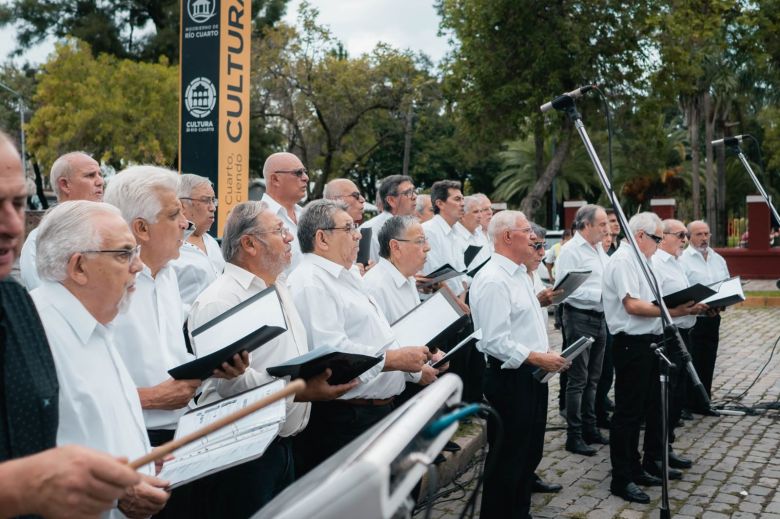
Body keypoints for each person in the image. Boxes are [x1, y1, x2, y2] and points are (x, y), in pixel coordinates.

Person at [0, 130, 140, 518]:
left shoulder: (14, 307)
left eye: (18, 202)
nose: (13, 225)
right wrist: (26, 485)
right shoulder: (43, 315)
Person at [188, 201, 357, 514]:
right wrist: (298, 390)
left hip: (283, 445)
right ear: (249, 243)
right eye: (280, 231)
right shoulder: (219, 300)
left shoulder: (278, 285)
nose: (290, 237)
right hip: (243, 455)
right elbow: (229, 387)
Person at [31, 200, 170, 519]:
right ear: (78, 267)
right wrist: (115, 492)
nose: (138, 265)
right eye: (124, 254)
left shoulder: (99, 324)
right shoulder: (35, 336)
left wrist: (145, 456)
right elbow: (23, 462)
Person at [287, 199, 431, 474]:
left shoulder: (343, 275)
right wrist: (394, 359)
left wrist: (408, 357)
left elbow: (376, 334)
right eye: (349, 228)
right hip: (347, 418)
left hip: (372, 412)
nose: (358, 235)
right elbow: (334, 353)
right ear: (322, 238)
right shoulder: (311, 282)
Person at [104, 165, 200, 518]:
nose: (185, 225)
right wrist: (149, 398)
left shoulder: (171, 274)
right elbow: (78, 384)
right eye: (174, 214)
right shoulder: (105, 286)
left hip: (181, 437)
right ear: (141, 228)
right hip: (131, 447)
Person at [470, 210, 568, 519]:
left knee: (529, 455)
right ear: (507, 237)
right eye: (527, 231)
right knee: (508, 461)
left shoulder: (521, 274)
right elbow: (494, 341)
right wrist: (540, 357)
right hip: (510, 379)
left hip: (532, 375)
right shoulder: (493, 280)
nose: (533, 237)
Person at [602, 212, 697, 504]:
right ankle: (622, 478)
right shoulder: (622, 261)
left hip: (650, 341)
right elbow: (632, 305)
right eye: (657, 238)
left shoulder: (643, 259)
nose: (659, 244)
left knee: (645, 407)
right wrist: (675, 312)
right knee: (628, 413)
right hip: (631, 343)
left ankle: (636, 466)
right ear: (640, 235)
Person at [649, 218, 705, 478]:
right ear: (664, 236)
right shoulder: (656, 264)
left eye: (685, 235)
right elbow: (655, 302)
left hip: (685, 330)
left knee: (678, 395)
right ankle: (655, 454)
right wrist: (682, 308)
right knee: (665, 396)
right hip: (667, 336)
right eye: (680, 235)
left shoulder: (677, 261)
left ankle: (667, 445)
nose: (684, 240)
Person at [556, 205, 611, 457]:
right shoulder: (570, 251)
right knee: (578, 380)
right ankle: (574, 435)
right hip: (579, 317)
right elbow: (565, 290)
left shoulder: (599, 248)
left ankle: (590, 428)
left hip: (601, 318)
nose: (607, 229)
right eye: (601, 225)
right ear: (586, 225)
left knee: (594, 378)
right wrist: (604, 294)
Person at [20, 151, 104, 290]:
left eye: (100, 174)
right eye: (90, 175)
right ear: (65, 184)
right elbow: (42, 298)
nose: (100, 181)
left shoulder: (111, 233)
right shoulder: (39, 241)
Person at [679, 220, 730, 415]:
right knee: (690, 360)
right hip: (692, 319)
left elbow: (725, 284)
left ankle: (703, 400)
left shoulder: (718, 259)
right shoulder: (683, 259)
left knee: (708, 359)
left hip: (712, 317)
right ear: (689, 237)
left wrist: (721, 304)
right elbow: (681, 290)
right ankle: (684, 403)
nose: (704, 238)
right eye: (699, 234)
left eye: (706, 234)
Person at [171, 174, 225, 311]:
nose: (213, 207)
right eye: (206, 200)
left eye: (214, 200)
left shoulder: (212, 243)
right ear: (182, 205)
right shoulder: (169, 248)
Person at [261, 152, 309, 273]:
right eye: (298, 173)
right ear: (275, 179)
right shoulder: (256, 220)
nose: (305, 178)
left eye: (305, 172)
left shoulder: (307, 215)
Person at [422, 180, 467, 298]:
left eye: (462, 199)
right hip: (439, 303)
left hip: (458, 302)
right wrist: (458, 305)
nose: (462, 203)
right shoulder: (428, 231)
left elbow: (461, 276)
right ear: (440, 204)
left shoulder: (456, 231)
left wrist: (462, 302)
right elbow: (434, 279)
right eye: (457, 199)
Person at [358, 175, 417, 264]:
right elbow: (370, 270)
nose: (415, 196)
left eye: (414, 191)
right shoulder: (371, 230)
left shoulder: (409, 226)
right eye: (408, 193)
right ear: (391, 200)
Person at [455, 195, 491, 269]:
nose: (480, 216)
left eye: (481, 211)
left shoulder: (480, 234)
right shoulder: (454, 237)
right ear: (462, 215)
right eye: (475, 212)